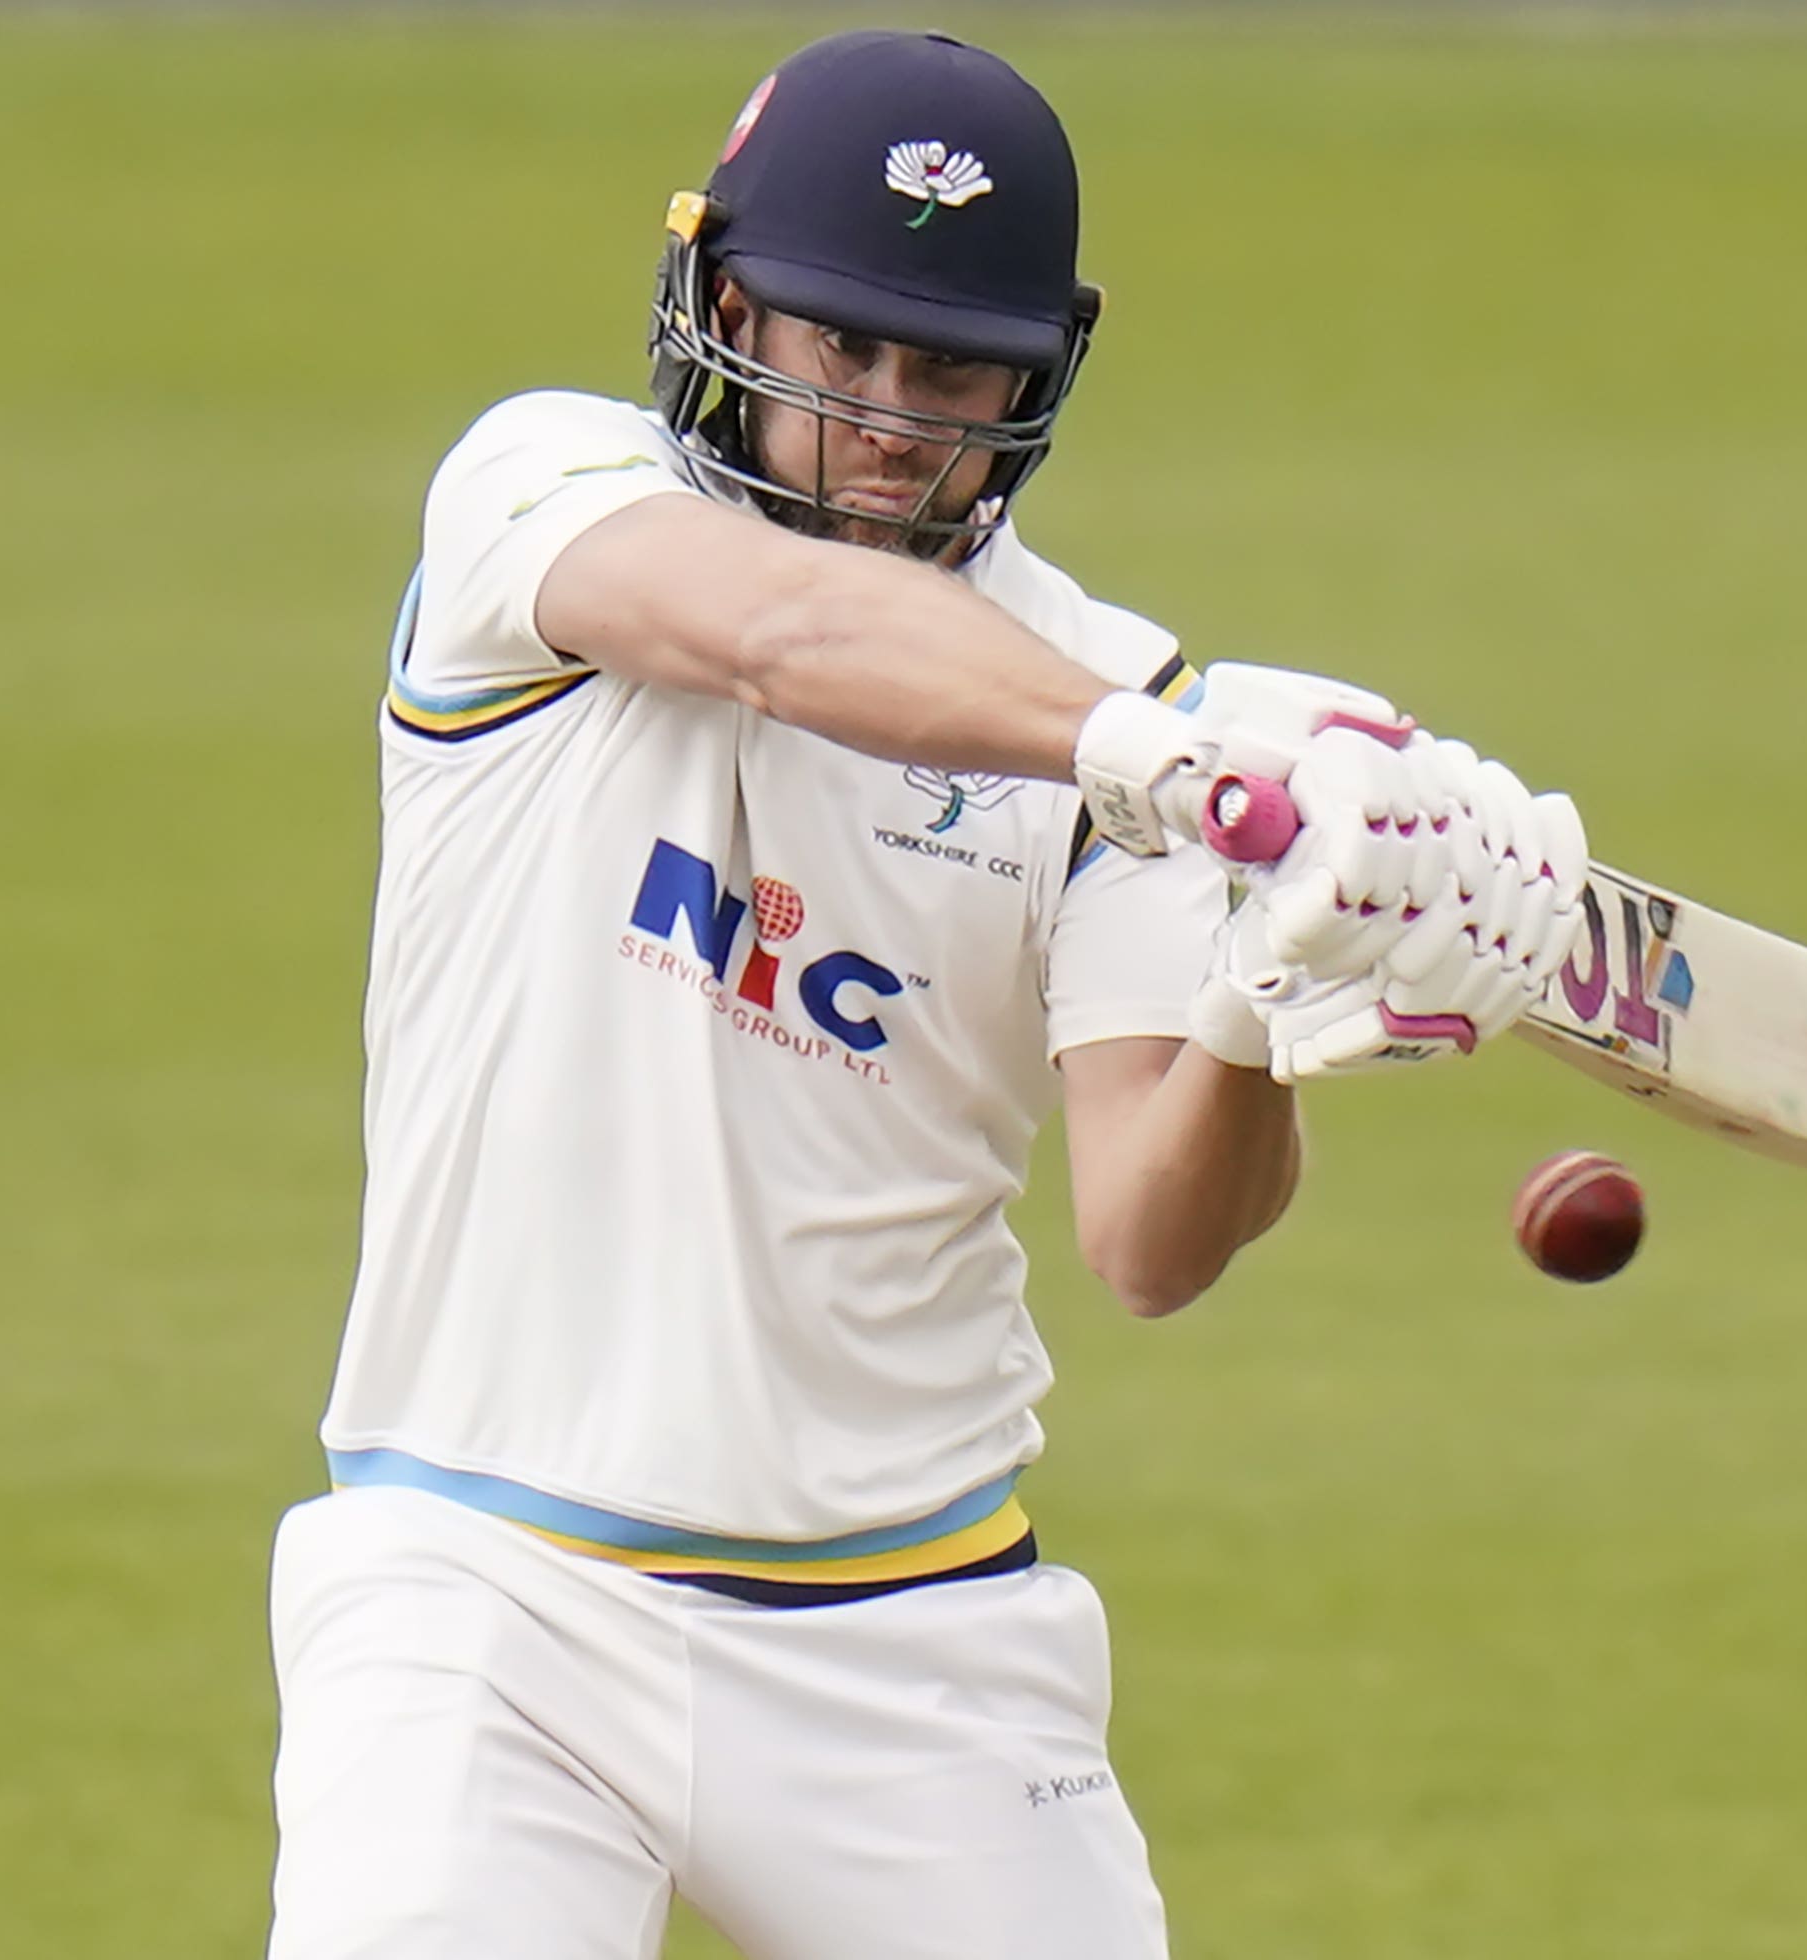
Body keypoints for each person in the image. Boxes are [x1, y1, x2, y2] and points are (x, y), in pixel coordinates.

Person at [266, 28, 1588, 1959]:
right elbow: (794, 638)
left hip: (908, 1627)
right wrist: (1183, 767)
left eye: (949, 367)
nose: (887, 414)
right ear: (724, 303)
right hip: (479, 1584)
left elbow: (1150, 1237)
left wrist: (1262, 999)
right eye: (835, 346)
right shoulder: (542, 491)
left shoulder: (1121, 693)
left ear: (1039, 375)